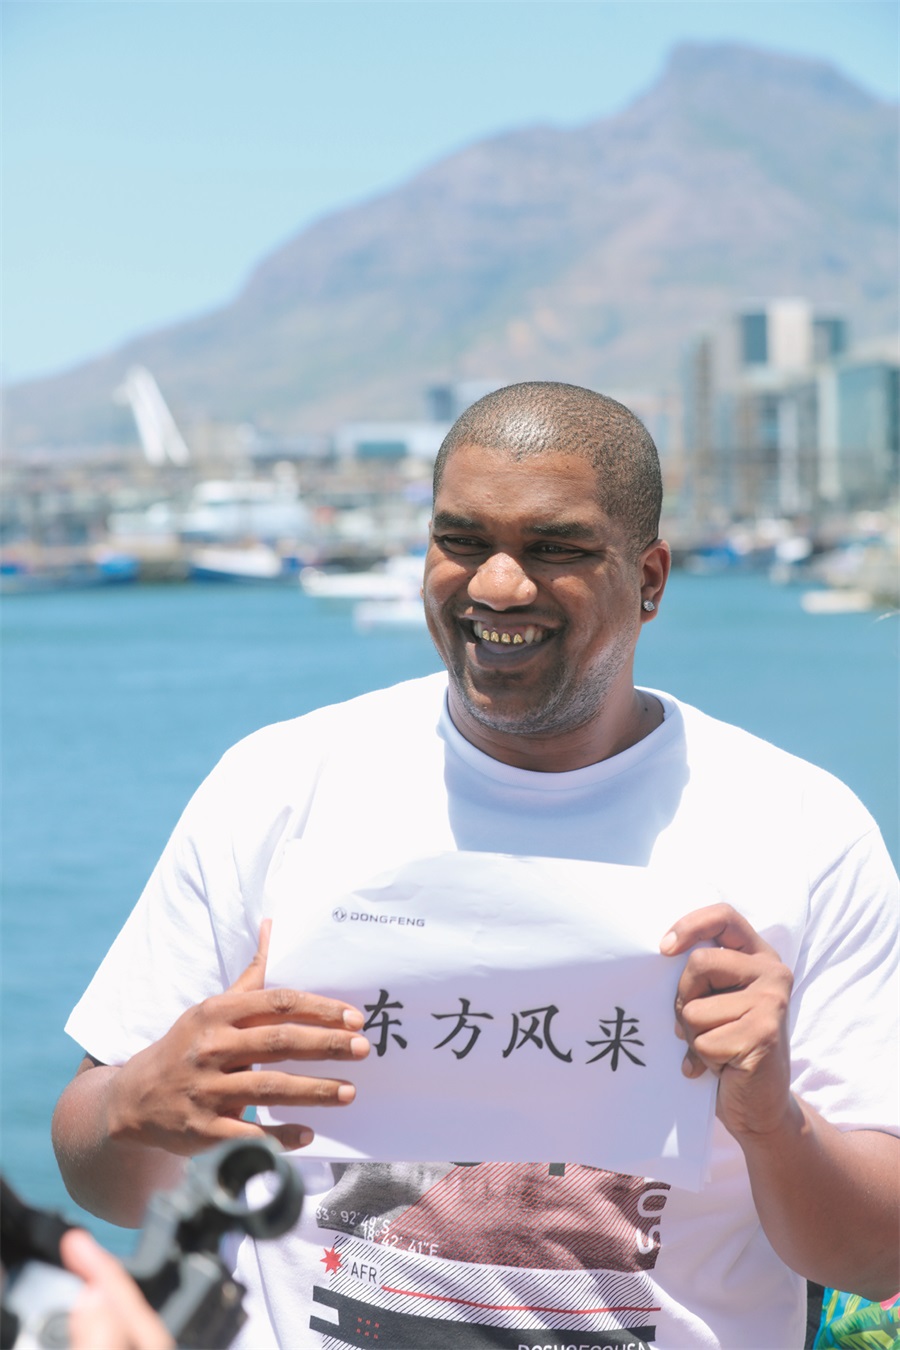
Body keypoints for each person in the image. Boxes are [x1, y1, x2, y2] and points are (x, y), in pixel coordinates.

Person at [52, 383, 899, 1349]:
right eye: (461, 540)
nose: (497, 585)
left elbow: (879, 1257)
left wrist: (771, 1121)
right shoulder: (278, 787)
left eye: (556, 547)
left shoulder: (800, 830)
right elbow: (99, 1172)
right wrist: (141, 1102)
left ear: (651, 578)